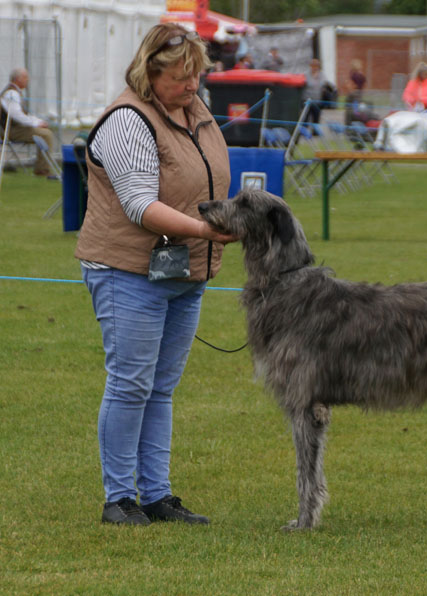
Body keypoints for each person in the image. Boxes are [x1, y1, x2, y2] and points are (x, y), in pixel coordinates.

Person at [75, 23, 237, 526]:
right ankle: (119, 499)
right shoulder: (128, 120)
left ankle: (156, 496)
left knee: (160, 388)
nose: (192, 86)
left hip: (183, 272)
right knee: (130, 385)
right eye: (180, 78)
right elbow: (141, 205)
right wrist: (205, 230)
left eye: (197, 76)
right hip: (129, 271)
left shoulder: (195, 110)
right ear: (150, 72)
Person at [0, 68, 55, 177]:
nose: (27, 80)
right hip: (10, 131)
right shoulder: (11, 93)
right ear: (17, 79)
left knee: (44, 132)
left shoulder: (12, 92)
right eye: (25, 78)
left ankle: (42, 167)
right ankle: (42, 169)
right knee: (46, 135)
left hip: (14, 129)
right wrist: (36, 124)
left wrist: (39, 121)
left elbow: (22, 115)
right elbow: (17, 115)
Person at [303, 58, 327, 124]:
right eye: (313, 66)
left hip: (317, 100)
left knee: (316, 118)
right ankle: (304, 132)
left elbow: (323, 84)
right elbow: (305, 83)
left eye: (316, 66)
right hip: (307, 100)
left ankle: (315, 132)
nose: (314, 68)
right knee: (305, 118)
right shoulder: (306, 74)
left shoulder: (322, 75)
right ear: (310, 66)